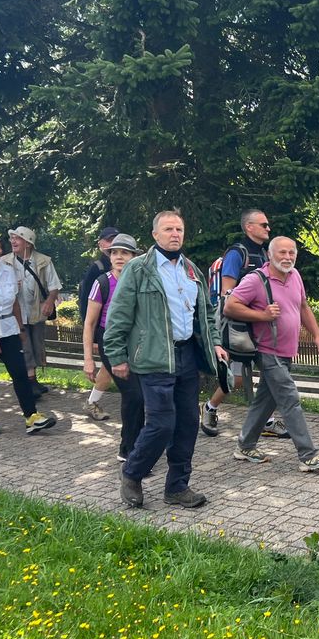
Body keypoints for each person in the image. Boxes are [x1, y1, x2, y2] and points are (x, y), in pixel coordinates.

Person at [104, 210, 228, 509]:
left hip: (187, 355)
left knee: (188, 423)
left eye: (179, 230)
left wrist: (214, 343)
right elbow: (118, 315)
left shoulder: (191, 270)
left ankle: (177, 487)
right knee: (161, 424)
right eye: (169, 229)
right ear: (155, 235)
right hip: (153, 356)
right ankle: (132, 473)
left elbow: (206, 312)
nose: (175, 234)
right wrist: (117, 356)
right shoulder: (139, 269)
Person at [226, 235, 319, 471]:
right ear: (270, 255)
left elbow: (303, 306)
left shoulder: (295, 276)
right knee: (289, 397)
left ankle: (245, 445)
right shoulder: (256, 280)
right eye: (282, 252)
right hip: (267, 350)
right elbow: (230, 306)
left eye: (291, 253)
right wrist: (262, 315)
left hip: (286, 351)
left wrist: (317, 335)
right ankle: (308, 455)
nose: (287, 257)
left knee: (266, 400)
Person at [201, 208, 289, 440]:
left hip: (263, 325)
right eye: (264, 225)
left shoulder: (264, 253)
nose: (268, 228)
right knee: (238, 378)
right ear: (249, 227)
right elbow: (227, 293)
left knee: (271, 373)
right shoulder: (237, 253)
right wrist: (255, 312)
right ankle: (210, 407)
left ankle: (266, 421)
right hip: (240, 327)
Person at [0, 232, 56, 436]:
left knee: (20, 372)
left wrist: (20, 328)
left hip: (9, 328)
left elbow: (15, 302)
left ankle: (31, 417)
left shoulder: (8, 271)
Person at [83, 233, 145, 463]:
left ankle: (134, 446)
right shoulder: (102, 283)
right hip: (110, 343)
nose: (119, 257)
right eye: (114, 252)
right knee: (134, 394)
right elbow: (89, 324)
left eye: (125, 253)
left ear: (134, 256)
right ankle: (129, 451)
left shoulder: (141, 280)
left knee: (140, 396)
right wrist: (88, 359)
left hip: (136, 343)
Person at [7, 225, 60, 398]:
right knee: (24, 346)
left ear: (28, 243)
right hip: (14, 314)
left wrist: (50, 301)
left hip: (36, 311)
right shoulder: (4, 262)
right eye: (12, 238)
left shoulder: (44, 261)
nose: (13, 241)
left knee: (37, 345)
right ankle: (28, 383)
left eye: (17, 238)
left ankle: (33, 380)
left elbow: (54, 286)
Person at [77, 226, 119, 421]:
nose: (112, 244)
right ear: (101, 244)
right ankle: (92, 402)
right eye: (109, 240)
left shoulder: (128, 268)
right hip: (104, 329)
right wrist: (93, 338)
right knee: (110, 367)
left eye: (116, 239)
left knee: (109, 368)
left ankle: (92, 402)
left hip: (122, 330)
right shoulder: (98, 268)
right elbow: (86, 302)